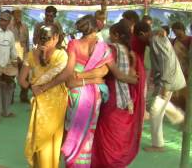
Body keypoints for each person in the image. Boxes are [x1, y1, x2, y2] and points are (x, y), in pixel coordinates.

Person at [32, 15, 131, 167]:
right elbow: (118, 74)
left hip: (76, 92)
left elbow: (67, 72)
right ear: (96, 28)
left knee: (71, 129)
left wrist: (45, 87)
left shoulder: (74, 44)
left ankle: (71, 162)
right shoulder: (104, 48)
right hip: (94, 96)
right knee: (87, 135)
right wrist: (134, 79)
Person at [91, 21, 144, 167]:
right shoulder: (131, 52)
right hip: (127, 98)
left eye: (111, 34)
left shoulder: (112, 49)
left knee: (107, 132)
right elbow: (134, 75)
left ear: (117, 35)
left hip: (113, 96)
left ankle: (106, 163)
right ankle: (116, 162)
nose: (109, 36)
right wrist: (132, 78)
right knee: (118, 135)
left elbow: (113, 73)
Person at [20, 24, 68, 168]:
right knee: (52, 140)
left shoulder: (30, 55)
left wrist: (32, 87)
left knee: (39, 137)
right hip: (57, 102)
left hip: (39, 103)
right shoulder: (61, 55)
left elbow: (22, 81)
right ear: (55, 38)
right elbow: (65, 77)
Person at [144, 23, 186, 152]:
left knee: (156, 111)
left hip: (168, 81)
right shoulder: (160, 38)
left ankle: (158, 145)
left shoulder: (155, 40)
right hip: (171, 80)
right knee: (162, 105)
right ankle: (179, 117)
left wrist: (165, 86)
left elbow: (166, 62)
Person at [8, 7, 30, 103]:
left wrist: (28, 55)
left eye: (19, 14)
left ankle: (24, 96)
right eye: (16, 13)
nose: (18, 16)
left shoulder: (25, 26)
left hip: (24, 55)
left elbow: (27, 41)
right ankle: (10, 97)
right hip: (12, 55)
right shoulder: (8, 27)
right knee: (11, 76)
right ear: (12, 14)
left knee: (25, 76)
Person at [170, 21, 191, 110]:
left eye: (177, 31)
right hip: (177, 70)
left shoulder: (190, 40)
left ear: (182, 29)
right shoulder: (175, 41)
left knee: (186, 91)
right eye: (174, 32)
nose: (176, 33)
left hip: (187, 69)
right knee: (177, 91)